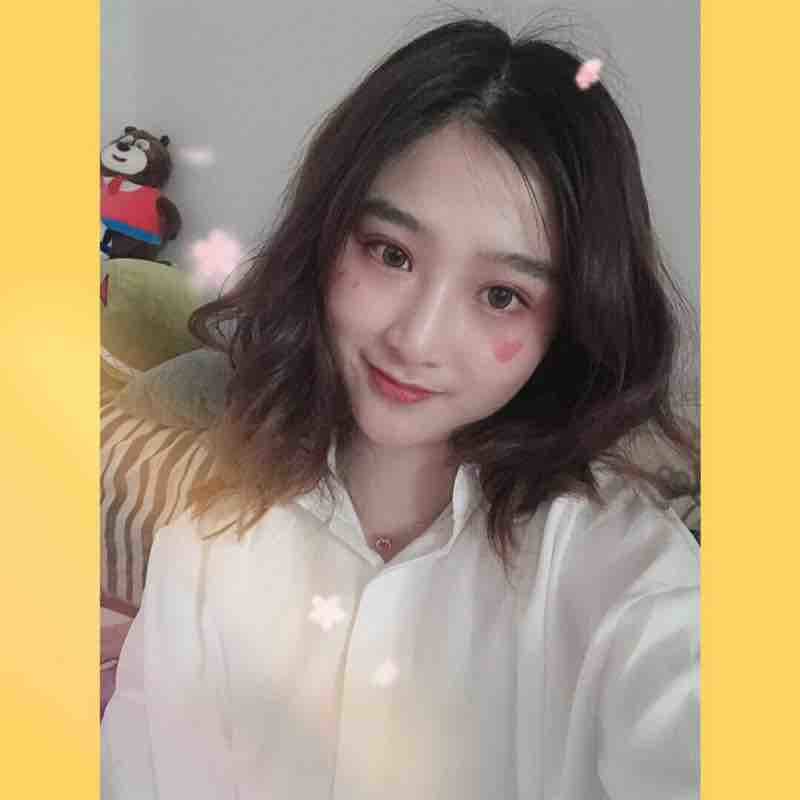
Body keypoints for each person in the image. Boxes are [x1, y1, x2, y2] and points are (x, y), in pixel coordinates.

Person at [102, 17, 699, 800]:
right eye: (391, 253)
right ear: (326, 239)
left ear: (568, 323)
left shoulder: (625, 578)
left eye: (501, 295)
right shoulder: (208, 538)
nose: (416, 338)